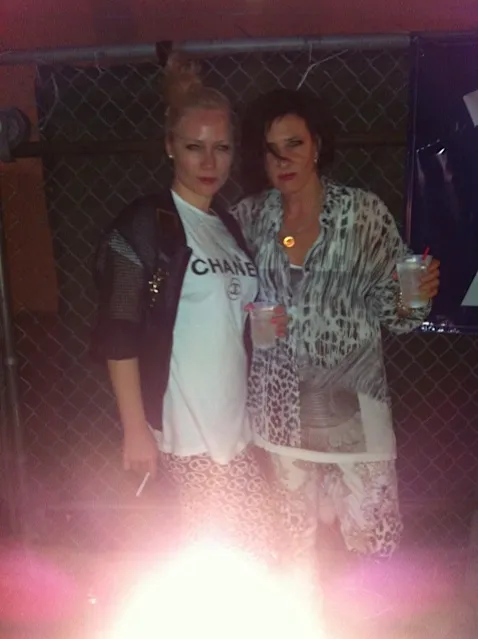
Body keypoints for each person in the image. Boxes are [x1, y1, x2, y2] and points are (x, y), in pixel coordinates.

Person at [231, 88, 440, 577]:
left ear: (317, 145)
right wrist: (249, 319)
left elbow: (399, 317)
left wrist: (416, 295)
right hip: (280, 413)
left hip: (355, 416)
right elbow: (227, 298)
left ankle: (371, 614)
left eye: (294, 144)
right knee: (291, 549)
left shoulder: (362, 213)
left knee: (372, 543)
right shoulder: (249, 218)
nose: (283, 160)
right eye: (271, 150)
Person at [91, 55, 283, 562]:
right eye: (195, 147)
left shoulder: (227, 225)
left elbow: (230, 321)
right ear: (170, 146)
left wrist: (263, 326)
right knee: (209, 567)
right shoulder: (145, 225)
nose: (209, 162)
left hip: (236, 433)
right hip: (182, 437)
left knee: (254, 562)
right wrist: (135, 428)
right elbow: (119, 331)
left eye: (221, 148)